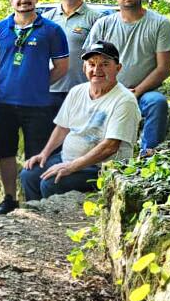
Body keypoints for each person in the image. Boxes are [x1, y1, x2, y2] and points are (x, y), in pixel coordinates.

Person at [0, 0, 69, 214]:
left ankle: (34, 201)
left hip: (39, 104)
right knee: (4, 152)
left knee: (37, 154)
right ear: (11, 0)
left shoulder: (52, 30)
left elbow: (62, 66)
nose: (24, 0)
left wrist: (40, 84)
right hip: (4, 103)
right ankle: (9, 199)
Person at [20, 41, 139, 199]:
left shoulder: (125, 100)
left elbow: (110, 146)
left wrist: (71, 167)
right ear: (84, 68)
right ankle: (33, 217)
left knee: (51, 183)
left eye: (105, 64)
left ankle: (55, 223)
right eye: (91, 64)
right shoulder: (77, 91)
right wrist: (44, 154)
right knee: (29, 175)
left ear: (118, 68)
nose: (97, 70)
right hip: (68, 158)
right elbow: (62, 128)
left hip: (101, 168)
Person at [84, 0, 170, 153]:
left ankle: (149, 157)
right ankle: (94, 162)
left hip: (143, 93)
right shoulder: (103, 24)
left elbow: (163, 68)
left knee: (157, 102)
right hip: (107, 91)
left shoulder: (160, 24)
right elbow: (89, 64)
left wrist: (135, 93)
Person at [42, 0, 108, 108]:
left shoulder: (97, 18)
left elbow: (104, 56)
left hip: (83, 90)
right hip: (49, 90)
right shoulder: (45, 19)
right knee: (51, 130)